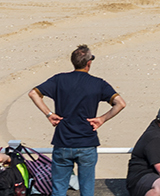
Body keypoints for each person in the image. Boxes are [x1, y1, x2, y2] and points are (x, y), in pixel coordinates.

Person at [28, 44, 127, 196]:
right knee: (87, 189)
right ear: (89, 63)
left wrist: (49, 114)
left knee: (58, 190)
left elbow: (34, 93)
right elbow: (120, 103)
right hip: (87, 142)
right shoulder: (98, 83)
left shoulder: (59, 79)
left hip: (63, 141)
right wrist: (102, 119)